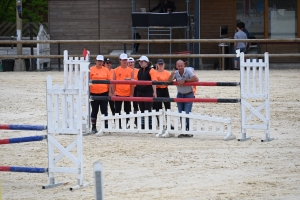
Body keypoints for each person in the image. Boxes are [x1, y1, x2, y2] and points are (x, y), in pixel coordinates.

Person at [168, 59, 199, 138]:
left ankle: (188, 131)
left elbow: (196, 78)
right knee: (181, 113)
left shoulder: (188, 71)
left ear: (184, 66)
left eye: (181, 66)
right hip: (180, 94)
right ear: (176, 66)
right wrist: (172, 75)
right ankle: (183, 130)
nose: (180, 67)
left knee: (187, 113)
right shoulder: (176, 72)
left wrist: (185, 80)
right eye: (179, 66)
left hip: (189, 94)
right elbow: (169, 81)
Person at [89, 55, 112, 133]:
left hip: (104, 92)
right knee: (94, 110)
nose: (99, 62)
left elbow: (109, 82)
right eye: (98, 61)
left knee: (104, 110)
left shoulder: (106, 70)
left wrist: (110, 92)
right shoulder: (91, 69)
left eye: (101, 61)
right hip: (94, 93)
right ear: (95, 61)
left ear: (103, 62)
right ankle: (93, 127)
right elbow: (86, 81)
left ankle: (105, 126)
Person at [112, 53, 133, 128]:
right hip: (118, 93)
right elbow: (113, 82)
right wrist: (114, 92)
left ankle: (126, 124)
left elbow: (132, 84)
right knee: (117, 110)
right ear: (120, 60)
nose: (124, 61)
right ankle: (118, 125)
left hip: (127, 93)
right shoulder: (115, 70)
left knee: (127, 110)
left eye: (125, 60)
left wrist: (131, 94)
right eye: (123, 60)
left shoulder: (131, 70)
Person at [136, 55, 157, 129]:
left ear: (146, 62)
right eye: (139, 62)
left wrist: (155, 92)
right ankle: (143, 124)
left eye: (142, 61)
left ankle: (149, 124)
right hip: (140, 91)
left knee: (148, 108)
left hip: (148, 91)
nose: (140, 63)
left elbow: (153, 81)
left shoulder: (151, 70)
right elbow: (137, 81)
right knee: (141, 109)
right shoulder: (139, 70)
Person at [153, 59, 173, 129]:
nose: (160, 65)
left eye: (162, 64)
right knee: (158, 107)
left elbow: (170, 80)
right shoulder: (155, 72)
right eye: (159, 64)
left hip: (165, 90)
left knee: (168, 107)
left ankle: (168, 123)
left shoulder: (167, 73)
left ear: (164, 64)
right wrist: (154, 92)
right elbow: (154, 82)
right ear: (157, 65)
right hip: (158, 90)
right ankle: (160, 123)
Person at [127, 57, 139, 126]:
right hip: (127, 89)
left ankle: (136, 121)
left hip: (136, 88)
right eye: (129, 62)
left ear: (134, 63)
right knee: (128, 106)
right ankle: (129, 120)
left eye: (132, 62)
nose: (131, 64)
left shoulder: (137, 71)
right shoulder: (126, 70)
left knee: (136, 106)